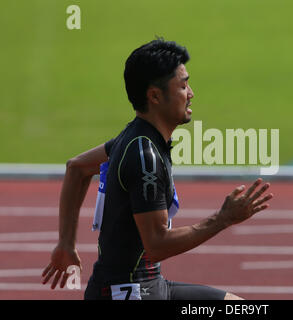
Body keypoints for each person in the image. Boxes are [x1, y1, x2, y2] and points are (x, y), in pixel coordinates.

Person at [41, 38, 273, 300]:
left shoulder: (136, 138)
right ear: (154, 95)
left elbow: (77, 168)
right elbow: (157, 245)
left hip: (151, 285)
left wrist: (66, 244)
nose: (191, 93)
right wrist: (224, 218)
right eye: (183, 85)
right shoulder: (144, 155)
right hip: (127, 293)